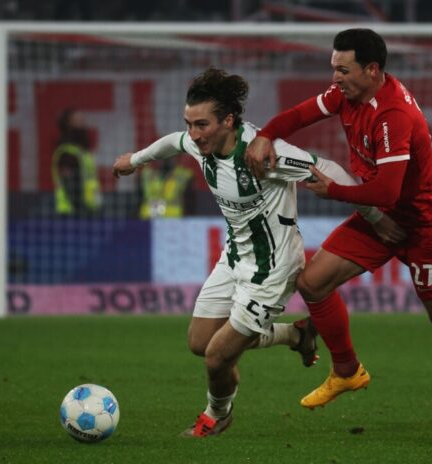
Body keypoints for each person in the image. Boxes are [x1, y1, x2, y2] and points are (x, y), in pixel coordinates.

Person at [246, 28, 432, 426]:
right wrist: (266, 135)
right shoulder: (347, 94)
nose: (335, 77)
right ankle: (346, 370)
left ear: (371, 70)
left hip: (424, 227)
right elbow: (301, 114)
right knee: (313, 282)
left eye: (343, 69)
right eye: (333, 68)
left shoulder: (392, 115)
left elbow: (387, 191)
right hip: (380, 218)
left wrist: (333, 190)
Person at [112, 67, 402, 438]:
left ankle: (217, 416)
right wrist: (135, 160)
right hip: (233, 258)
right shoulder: (198, 141)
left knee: (218, 357)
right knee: (200, 344)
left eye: (202, 124)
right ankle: (296, 336)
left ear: (228, 120)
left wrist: (376, 217)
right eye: (190, 123)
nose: (194, 133)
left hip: (273, 270)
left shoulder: (265, 153)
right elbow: (172, 142)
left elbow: (326, 169)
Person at [52, 108, 103, 217]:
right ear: (68, 122)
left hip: (88, 204)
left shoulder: (83, 147)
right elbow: (67, 181)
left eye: (82, 118)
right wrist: (77, 205)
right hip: (72, 209)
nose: (82, 121)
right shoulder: (66, 148)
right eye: (77, 119)